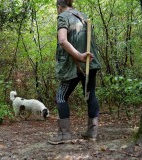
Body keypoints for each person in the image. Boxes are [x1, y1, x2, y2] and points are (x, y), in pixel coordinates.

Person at [48, 0, 101, 145]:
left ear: (59, 7)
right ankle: (92, 132)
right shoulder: (83, 16)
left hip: (75, 64)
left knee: (61, 96)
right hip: (91, 62)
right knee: (91, 95)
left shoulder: (63, 16)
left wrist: (78, 55)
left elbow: (63, 40)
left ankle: (64, 135)